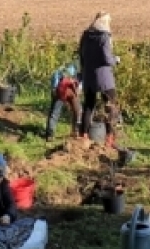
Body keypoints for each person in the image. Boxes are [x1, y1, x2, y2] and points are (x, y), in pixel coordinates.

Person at [78, 12, 119, 148]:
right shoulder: (104, 37)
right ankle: (110, 138)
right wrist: (116, 60)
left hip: (88, 76)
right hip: (104, 78)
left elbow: (81, 56)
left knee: (88, 106)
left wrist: (83, 72)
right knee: (110, 106)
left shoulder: (86, 35)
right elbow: (107, 58)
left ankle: (83, 136)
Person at [45, 65, 82, 140]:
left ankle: (75, 131)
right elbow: (56, 73)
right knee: (55, 111)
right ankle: (50, 133)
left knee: (77, 110)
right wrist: (55, 87)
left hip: (73, 87)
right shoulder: (63, 63)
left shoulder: (79, 61)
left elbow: (81, 77)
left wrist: (79, 88)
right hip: (61, 86)